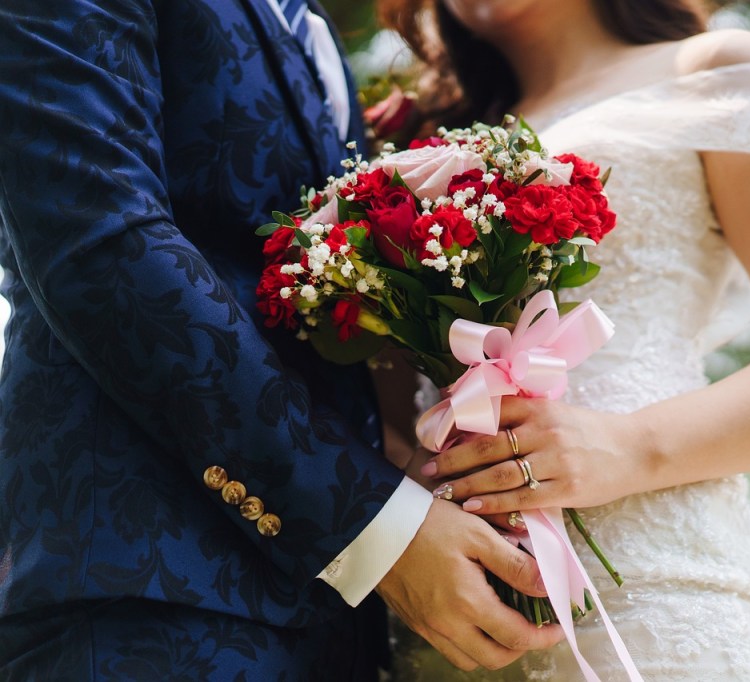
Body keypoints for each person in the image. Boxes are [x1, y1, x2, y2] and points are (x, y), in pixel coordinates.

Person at [0, 1, 562, 679]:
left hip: (340, 620)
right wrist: (371, 523)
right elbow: (99, 242)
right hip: (153, 595)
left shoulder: (305, 22)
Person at [379, 0, 750, 679]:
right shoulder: (402, 146)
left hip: (660, 600)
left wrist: (630, 446)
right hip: (452, 619)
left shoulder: (711, 68)